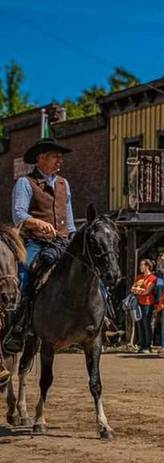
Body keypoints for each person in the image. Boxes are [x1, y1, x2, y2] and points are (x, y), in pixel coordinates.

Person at [3, 138, 78, 362]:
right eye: (55, 156)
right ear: (41, 158)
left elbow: (70, 221)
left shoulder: (64, 183)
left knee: (89, 270)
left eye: (60, 157)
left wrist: (73, 238)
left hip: (63, 242)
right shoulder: (26, 183)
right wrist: (38, 223)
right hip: (36, 242)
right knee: (25, 276)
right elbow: (19, 215)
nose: (60, 160)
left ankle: (102, 320)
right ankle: (16, 328)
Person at [130, 259, 157, 353]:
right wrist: (139, 290)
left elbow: (147, 291)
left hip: (148, 303)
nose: (140, 267)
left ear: (147, 266)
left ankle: (148, 345)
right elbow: (132, 289)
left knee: (146, 324)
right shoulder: (139, 277)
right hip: (139, 303)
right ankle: (142, 345)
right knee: (140, 324)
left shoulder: (153, 278)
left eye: (141, 265)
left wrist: (138, 290)